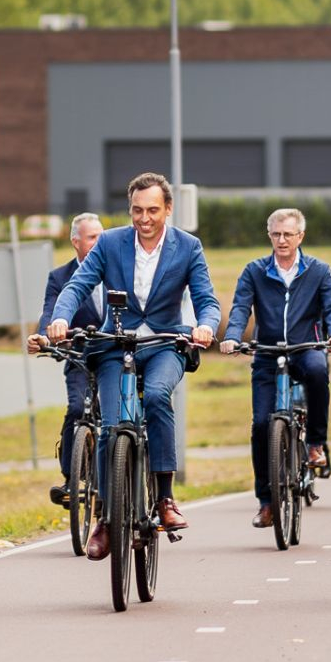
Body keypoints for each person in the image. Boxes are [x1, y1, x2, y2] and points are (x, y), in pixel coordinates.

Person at [44, 173, 220, 560]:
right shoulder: (109, 242)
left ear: (167, 209)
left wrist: (205, 325)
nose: (144, 218)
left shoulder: (188, 247)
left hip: (163, 344)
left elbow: (207, 298)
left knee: (157, 397)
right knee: (110, 427)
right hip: (114, 344)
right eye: (137, 210)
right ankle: (106, 519)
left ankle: (164, 498)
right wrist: (60, 318)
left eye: (153, 210)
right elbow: (77, 284)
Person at [220, 208, 331, 528]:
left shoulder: (319, 270)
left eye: (288, 234)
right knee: (261, 425)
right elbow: (239, 308)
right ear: (269, 236)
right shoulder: (255, 270)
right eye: (276, 234)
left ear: (300, 236)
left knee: (318, 371)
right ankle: (266, 502)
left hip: (307, 348)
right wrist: (233, 337)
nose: (281, 240)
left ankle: (316, 444)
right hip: (267, 352)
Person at [27, 213, 104, 507]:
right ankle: (72, 479)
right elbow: (50, 311)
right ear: (76, 242)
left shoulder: (117, 270)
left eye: (101, 236)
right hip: (80, 357)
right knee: (77, 408)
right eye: (92, 237)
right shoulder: (60, 277)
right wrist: (44, 337)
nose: (99, 242)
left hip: (115, 353)